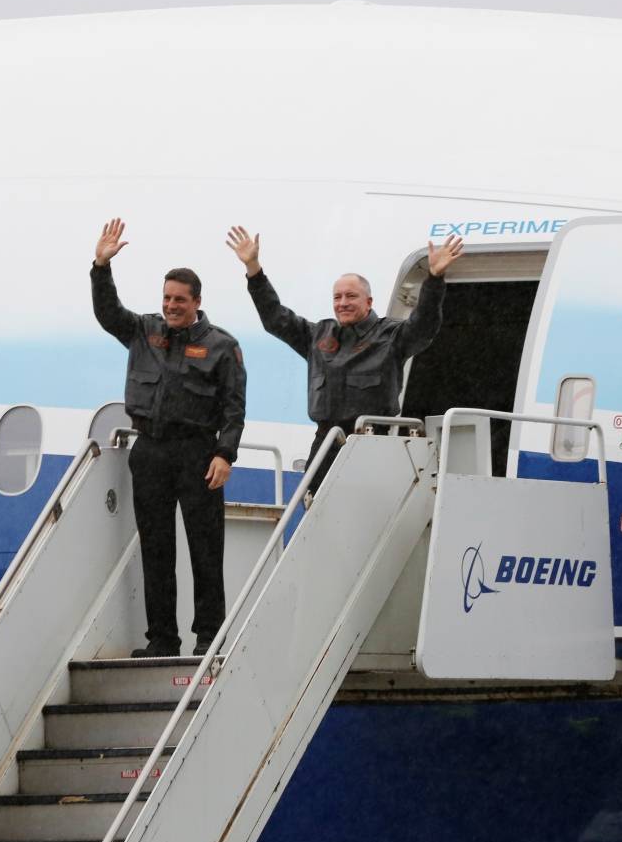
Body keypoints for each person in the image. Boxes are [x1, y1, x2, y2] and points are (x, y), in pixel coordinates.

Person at [91, 218, 246, 658]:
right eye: (166, 298)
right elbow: (107, 313)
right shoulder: (144, 331)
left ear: (197, 301)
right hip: (151, 451)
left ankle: (208, 636)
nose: (171, 305)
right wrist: (101, 266)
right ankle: (162, 639)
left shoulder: (221, 346)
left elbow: (234, 407)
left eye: (179, 299)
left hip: (197, 453)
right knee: (156, 548)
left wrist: (225, 454)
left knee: (204, 549)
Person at [225, 226, 463, 494]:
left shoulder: (392, 336)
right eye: (337, 297)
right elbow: (275, 318)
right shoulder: (318, 336)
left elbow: (424, 325)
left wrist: (434, 278)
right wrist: (254, 269)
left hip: (372, 443)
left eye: (351, 296)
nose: (343, 303)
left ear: (369, 301)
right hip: (325, 443)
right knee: (315, 510)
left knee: (367, 514)